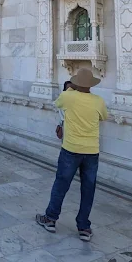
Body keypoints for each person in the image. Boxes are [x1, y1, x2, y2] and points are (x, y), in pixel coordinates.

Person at [36, 68, 108, 242]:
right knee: (88, 189)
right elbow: (103, 117)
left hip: (71, 149)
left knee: (61, 185)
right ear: (91, 85)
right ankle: (84, 227)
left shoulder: (68, 97)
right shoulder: (98, 101)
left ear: (75, 84)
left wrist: (71, 89)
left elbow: (57, 104)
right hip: (91, 151)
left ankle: (50, 219)